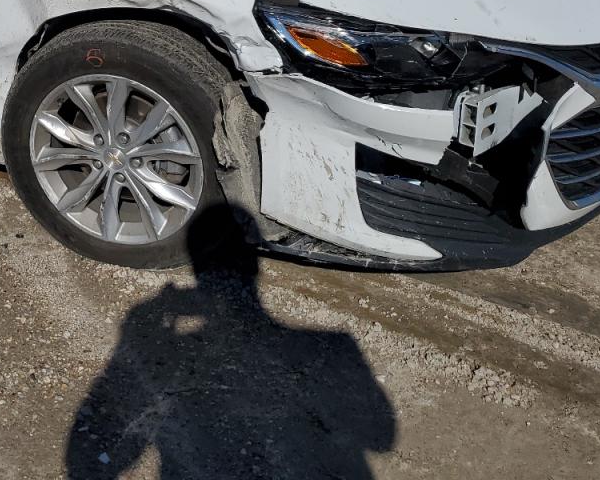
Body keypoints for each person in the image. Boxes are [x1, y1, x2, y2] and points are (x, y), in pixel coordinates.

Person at [65, 204, 395, 479]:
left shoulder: (333, 347)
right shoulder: (337, 347)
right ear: (254, 263)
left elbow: (94, 459)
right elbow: (381, 438)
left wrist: (138, 329)